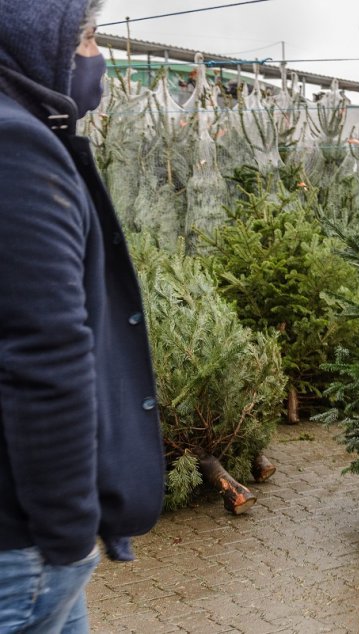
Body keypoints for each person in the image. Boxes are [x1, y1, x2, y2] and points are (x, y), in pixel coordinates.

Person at [0, 0, 166, 631]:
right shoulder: (14, 145)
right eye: (88, 39)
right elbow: (43, 358)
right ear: (34, 40)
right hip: (22, 549)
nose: (97, 60)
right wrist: (70, 538)